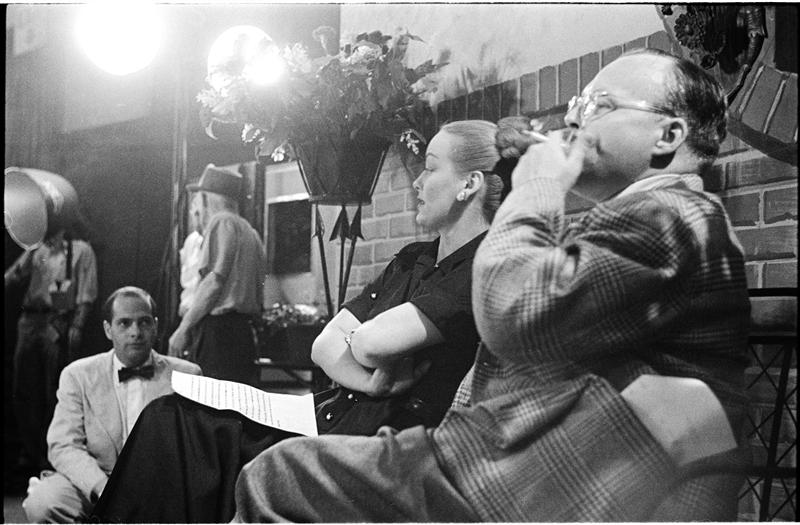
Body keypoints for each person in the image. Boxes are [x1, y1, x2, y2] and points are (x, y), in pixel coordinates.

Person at [232, 49, 751, 522]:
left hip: (521, 488)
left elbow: (513, 313)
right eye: (577, 102)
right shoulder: (646, 219)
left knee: (279, 476)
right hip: (505, 471)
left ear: (668, 136)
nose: (573, 118)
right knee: (268, 462)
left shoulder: (673, 217)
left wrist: (537, 186)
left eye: (600, 105)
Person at [90, 120, 510, 523]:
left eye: (431, 168)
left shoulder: (483, 267)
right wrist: (371, 381)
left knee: (181, 428)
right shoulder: (411, 259)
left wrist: (358, 342)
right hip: (329, 412)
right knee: (170, 414)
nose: (417, 181)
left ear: (469, 184)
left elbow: (368, 343)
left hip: (374, 442)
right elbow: (324, 346)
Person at [21, 286, 202, 523]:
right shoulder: (78, 375)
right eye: (124, 323)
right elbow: (63, 445)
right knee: (43, 502)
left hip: (161, 487)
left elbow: (197, 450)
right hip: (98, 480)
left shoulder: (187, 375)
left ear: (155, 327)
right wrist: (103, 487)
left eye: (144, 322)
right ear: (108, 329)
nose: (135, 332)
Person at [4, 226, 98, 476]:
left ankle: (51, 454)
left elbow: (86, 295)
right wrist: (30, 251)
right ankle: (30, 451)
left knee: (53, 389)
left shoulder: (80, 249)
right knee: (23, 388)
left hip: (57, 321)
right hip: (29, 320)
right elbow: (11, 279)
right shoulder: (37, 249)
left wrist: (77, 325)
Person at [168, 164, 266, 384]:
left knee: (210, 399)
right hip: (243, 334)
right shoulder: (250, 232)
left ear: (206, 198)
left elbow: (213, 282)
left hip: (219, 335)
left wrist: (183, 329)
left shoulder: (221, 222)